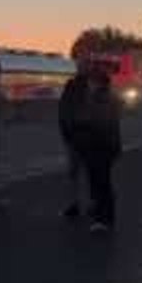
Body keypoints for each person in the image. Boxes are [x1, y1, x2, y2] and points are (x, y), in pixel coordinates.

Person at [77, 69, 122, 234]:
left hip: (100, 148)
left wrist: (83, 124)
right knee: (102, 183)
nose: (89, 85)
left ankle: (104, 219)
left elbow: (97, 124)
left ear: (97, 83)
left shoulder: (100, 99)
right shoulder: (109, 98)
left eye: (91, 82)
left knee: (101, 184)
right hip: (106, 147)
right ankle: (102, 215)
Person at [58, 59, 91, 219]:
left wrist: (65, 132)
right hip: (87, 136)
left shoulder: (71, 85)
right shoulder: (92, 87)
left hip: (74, 136)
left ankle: (75, 205)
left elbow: (63, 110)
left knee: (74, 174)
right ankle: (90, 204)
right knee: (89, 173)